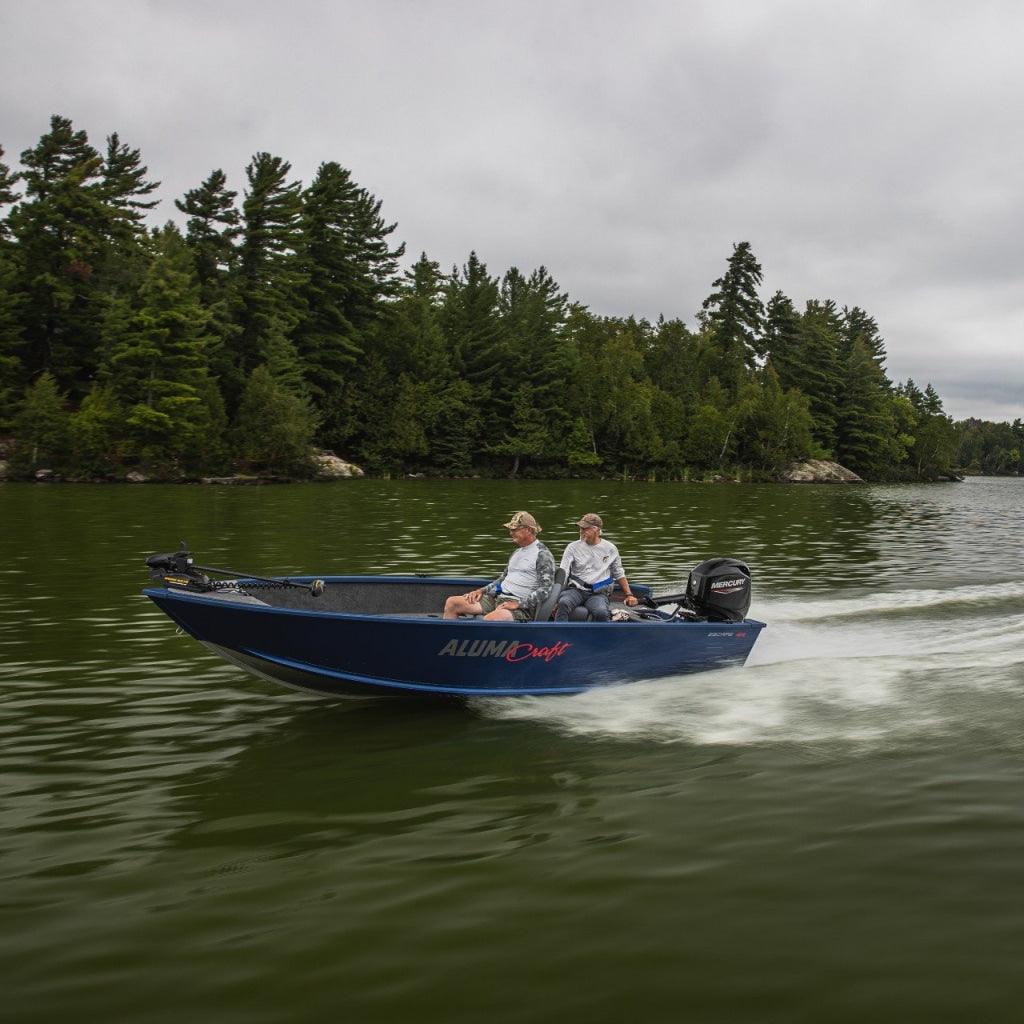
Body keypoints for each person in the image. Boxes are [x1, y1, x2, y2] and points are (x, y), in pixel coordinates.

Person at [443, 511, 555, 622]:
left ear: (529, 530)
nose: (511, 532)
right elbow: (502, 579)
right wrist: (481, 591)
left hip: (521, 607)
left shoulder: (543, 554)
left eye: (515, 529)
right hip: (497, 598)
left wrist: (518, 604)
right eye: (510, 529)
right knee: (452, 603)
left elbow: (545, 589)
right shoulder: (516, 552)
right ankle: (448, 639)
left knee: (491, 619)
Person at [555, 513, 638, 622]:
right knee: (563, 603)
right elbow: (563, 573)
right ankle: (559, 636)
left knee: (601, 612)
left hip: (598, 594)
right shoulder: (572, 548)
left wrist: (629, 595)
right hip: (575, 590)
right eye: (580, 528)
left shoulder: (610, 549)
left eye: (585, 528)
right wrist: (554, 597)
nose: (581, 531)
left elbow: (619, 572)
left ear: (597, 530)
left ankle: (601, 636)